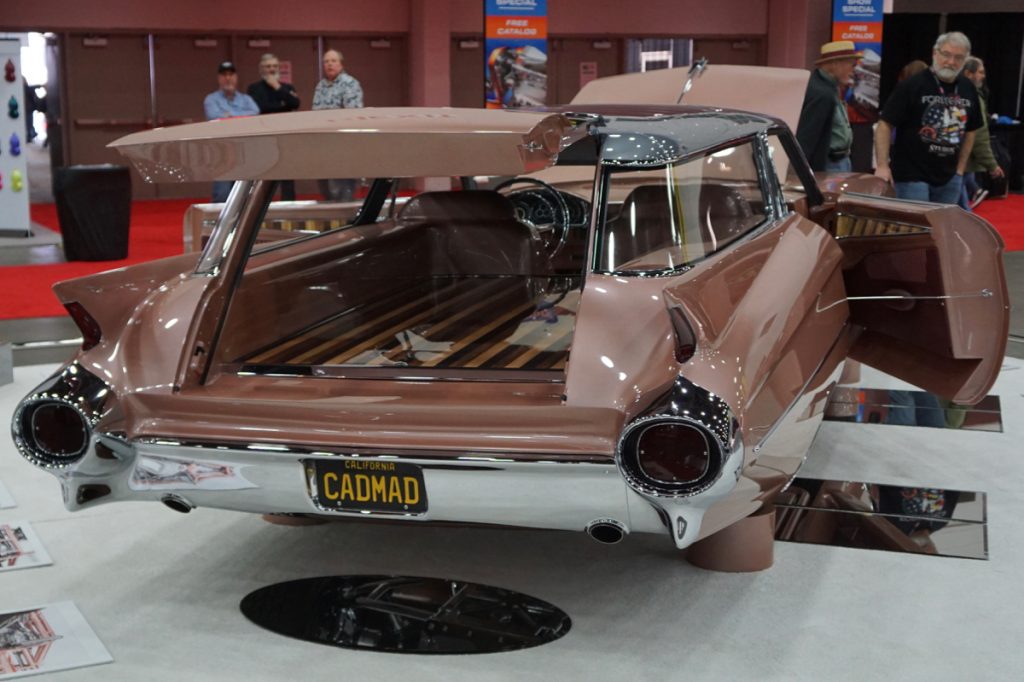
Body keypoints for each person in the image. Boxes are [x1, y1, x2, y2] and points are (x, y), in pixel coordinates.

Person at [873, 32, 983, 204]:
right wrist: (882, 165)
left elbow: (971, 130)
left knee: (942, 228)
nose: (951, 62)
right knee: (916, 227)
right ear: (935, 53)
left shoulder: (968, 88)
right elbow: (885, 124)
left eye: (958, 57)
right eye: (946, 55)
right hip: (911, 175)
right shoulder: (913, 84)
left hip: (950, 177)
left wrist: (960, 170)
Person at [796, 40, 862, 172]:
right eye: (852, 65)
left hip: (835, 162)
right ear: (835, 64)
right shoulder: (822, 93)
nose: (854, 70)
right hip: (829, 165)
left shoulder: (826, 87)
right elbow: (807, 137)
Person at [247, 53, 301, 201]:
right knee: (263, 175)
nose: (271, 69)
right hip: (263, 138)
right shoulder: (254, 88)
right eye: (268, 66)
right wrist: (282, 105)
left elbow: (295, 104)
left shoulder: (286, 87)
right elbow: (261, 107)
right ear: (261, 69)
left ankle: (289, 205)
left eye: (274, 66)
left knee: (287, 176)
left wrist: (276, 87)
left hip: (285, 137)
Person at [204, 60, 260, 202]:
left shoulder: (246, 99)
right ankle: (219, 223)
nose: (228, 78)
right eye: (224, 75)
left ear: (236, 77)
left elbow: (255, 113)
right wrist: (241, 116)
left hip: (244, 151)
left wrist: (228, 116)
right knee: (222, 194)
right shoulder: (211, 99)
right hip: (221, 152)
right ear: (219, 78)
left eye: (231, 74)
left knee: (245, 195)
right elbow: (213, 117)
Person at [312, 49, 363, 201]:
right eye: (326, 61)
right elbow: (314, 113)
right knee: (325, 186)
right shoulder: (320, 86)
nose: (329, 64)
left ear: (341, 64)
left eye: (333, 61)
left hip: (343, 143)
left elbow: (353, 115)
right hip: (323, 143)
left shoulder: (350, 84)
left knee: (343, 189)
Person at [960, 57, 1004, 208]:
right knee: (960, 209)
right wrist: (992, 165)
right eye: (980, 72)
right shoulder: (974, 97)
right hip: (963, 160)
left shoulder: (953, 92)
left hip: (956, 159)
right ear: (968, 73)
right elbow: (979, 134)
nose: (983, 76)